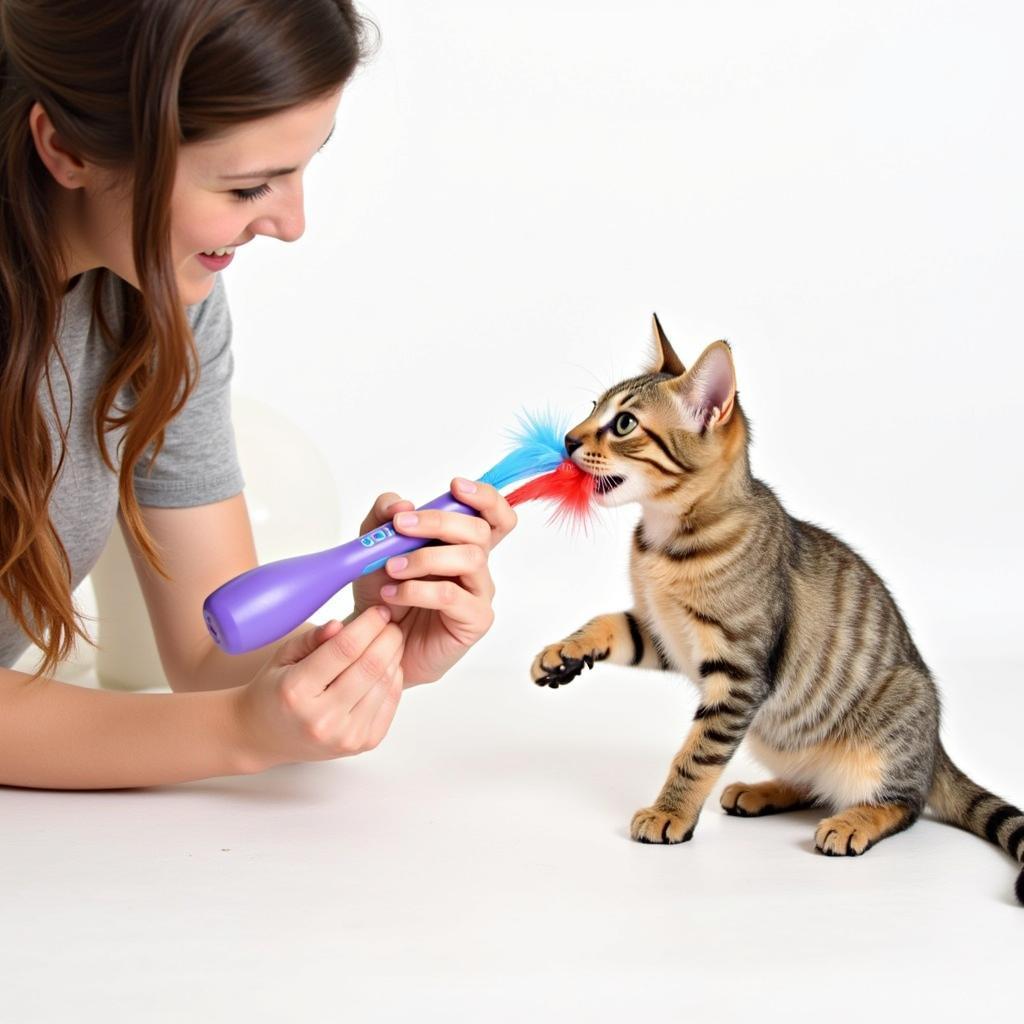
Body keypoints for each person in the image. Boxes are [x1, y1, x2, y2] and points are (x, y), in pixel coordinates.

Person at [0, 0, 517, 789]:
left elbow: (211, 650)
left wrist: (364, 639)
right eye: (248, 188)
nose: (292, 223)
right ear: (66, 147)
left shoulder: (160, 299)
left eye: (303, 166)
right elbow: (222, 710)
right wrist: (241, 733)